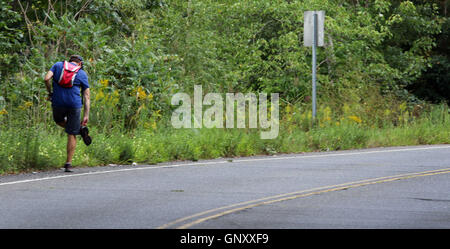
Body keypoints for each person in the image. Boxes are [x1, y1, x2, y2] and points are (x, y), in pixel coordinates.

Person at [44, 55, 91, 172]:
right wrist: (86, 114)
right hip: (74, 105)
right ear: (80, 63)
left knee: (59, 121)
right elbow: (87, 96)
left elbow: (46, 78)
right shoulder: (81, 73)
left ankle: (76, 128)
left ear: (69, 61)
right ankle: (68, 164)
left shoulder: (58, 65)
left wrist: (50, 92)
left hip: (58, 102)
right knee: (71, 133)